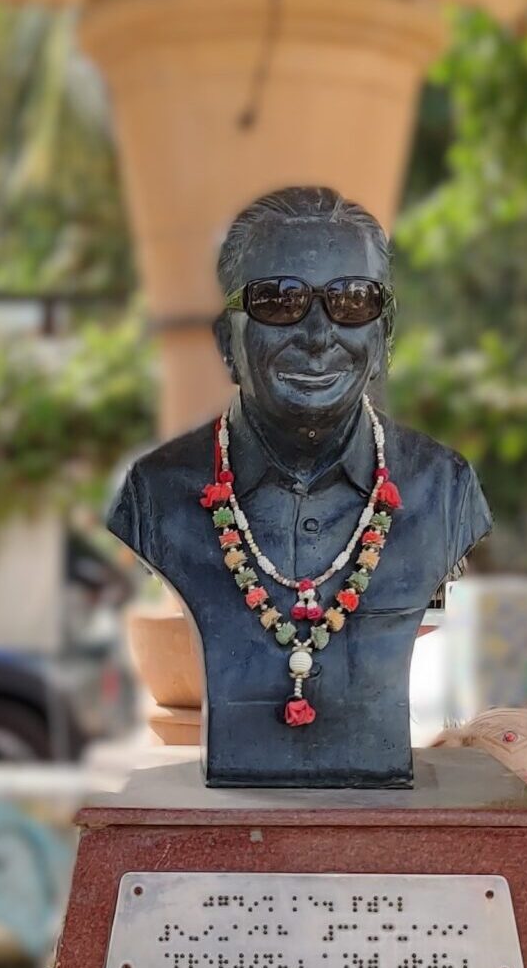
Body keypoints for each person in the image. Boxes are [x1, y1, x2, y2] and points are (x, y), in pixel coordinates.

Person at [106, 186, 489, 788]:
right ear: (226, 342)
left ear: (384, 337)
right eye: (279, 301)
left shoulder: (444, 490)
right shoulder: (155, 495)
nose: (317, 334)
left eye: (352, 301)